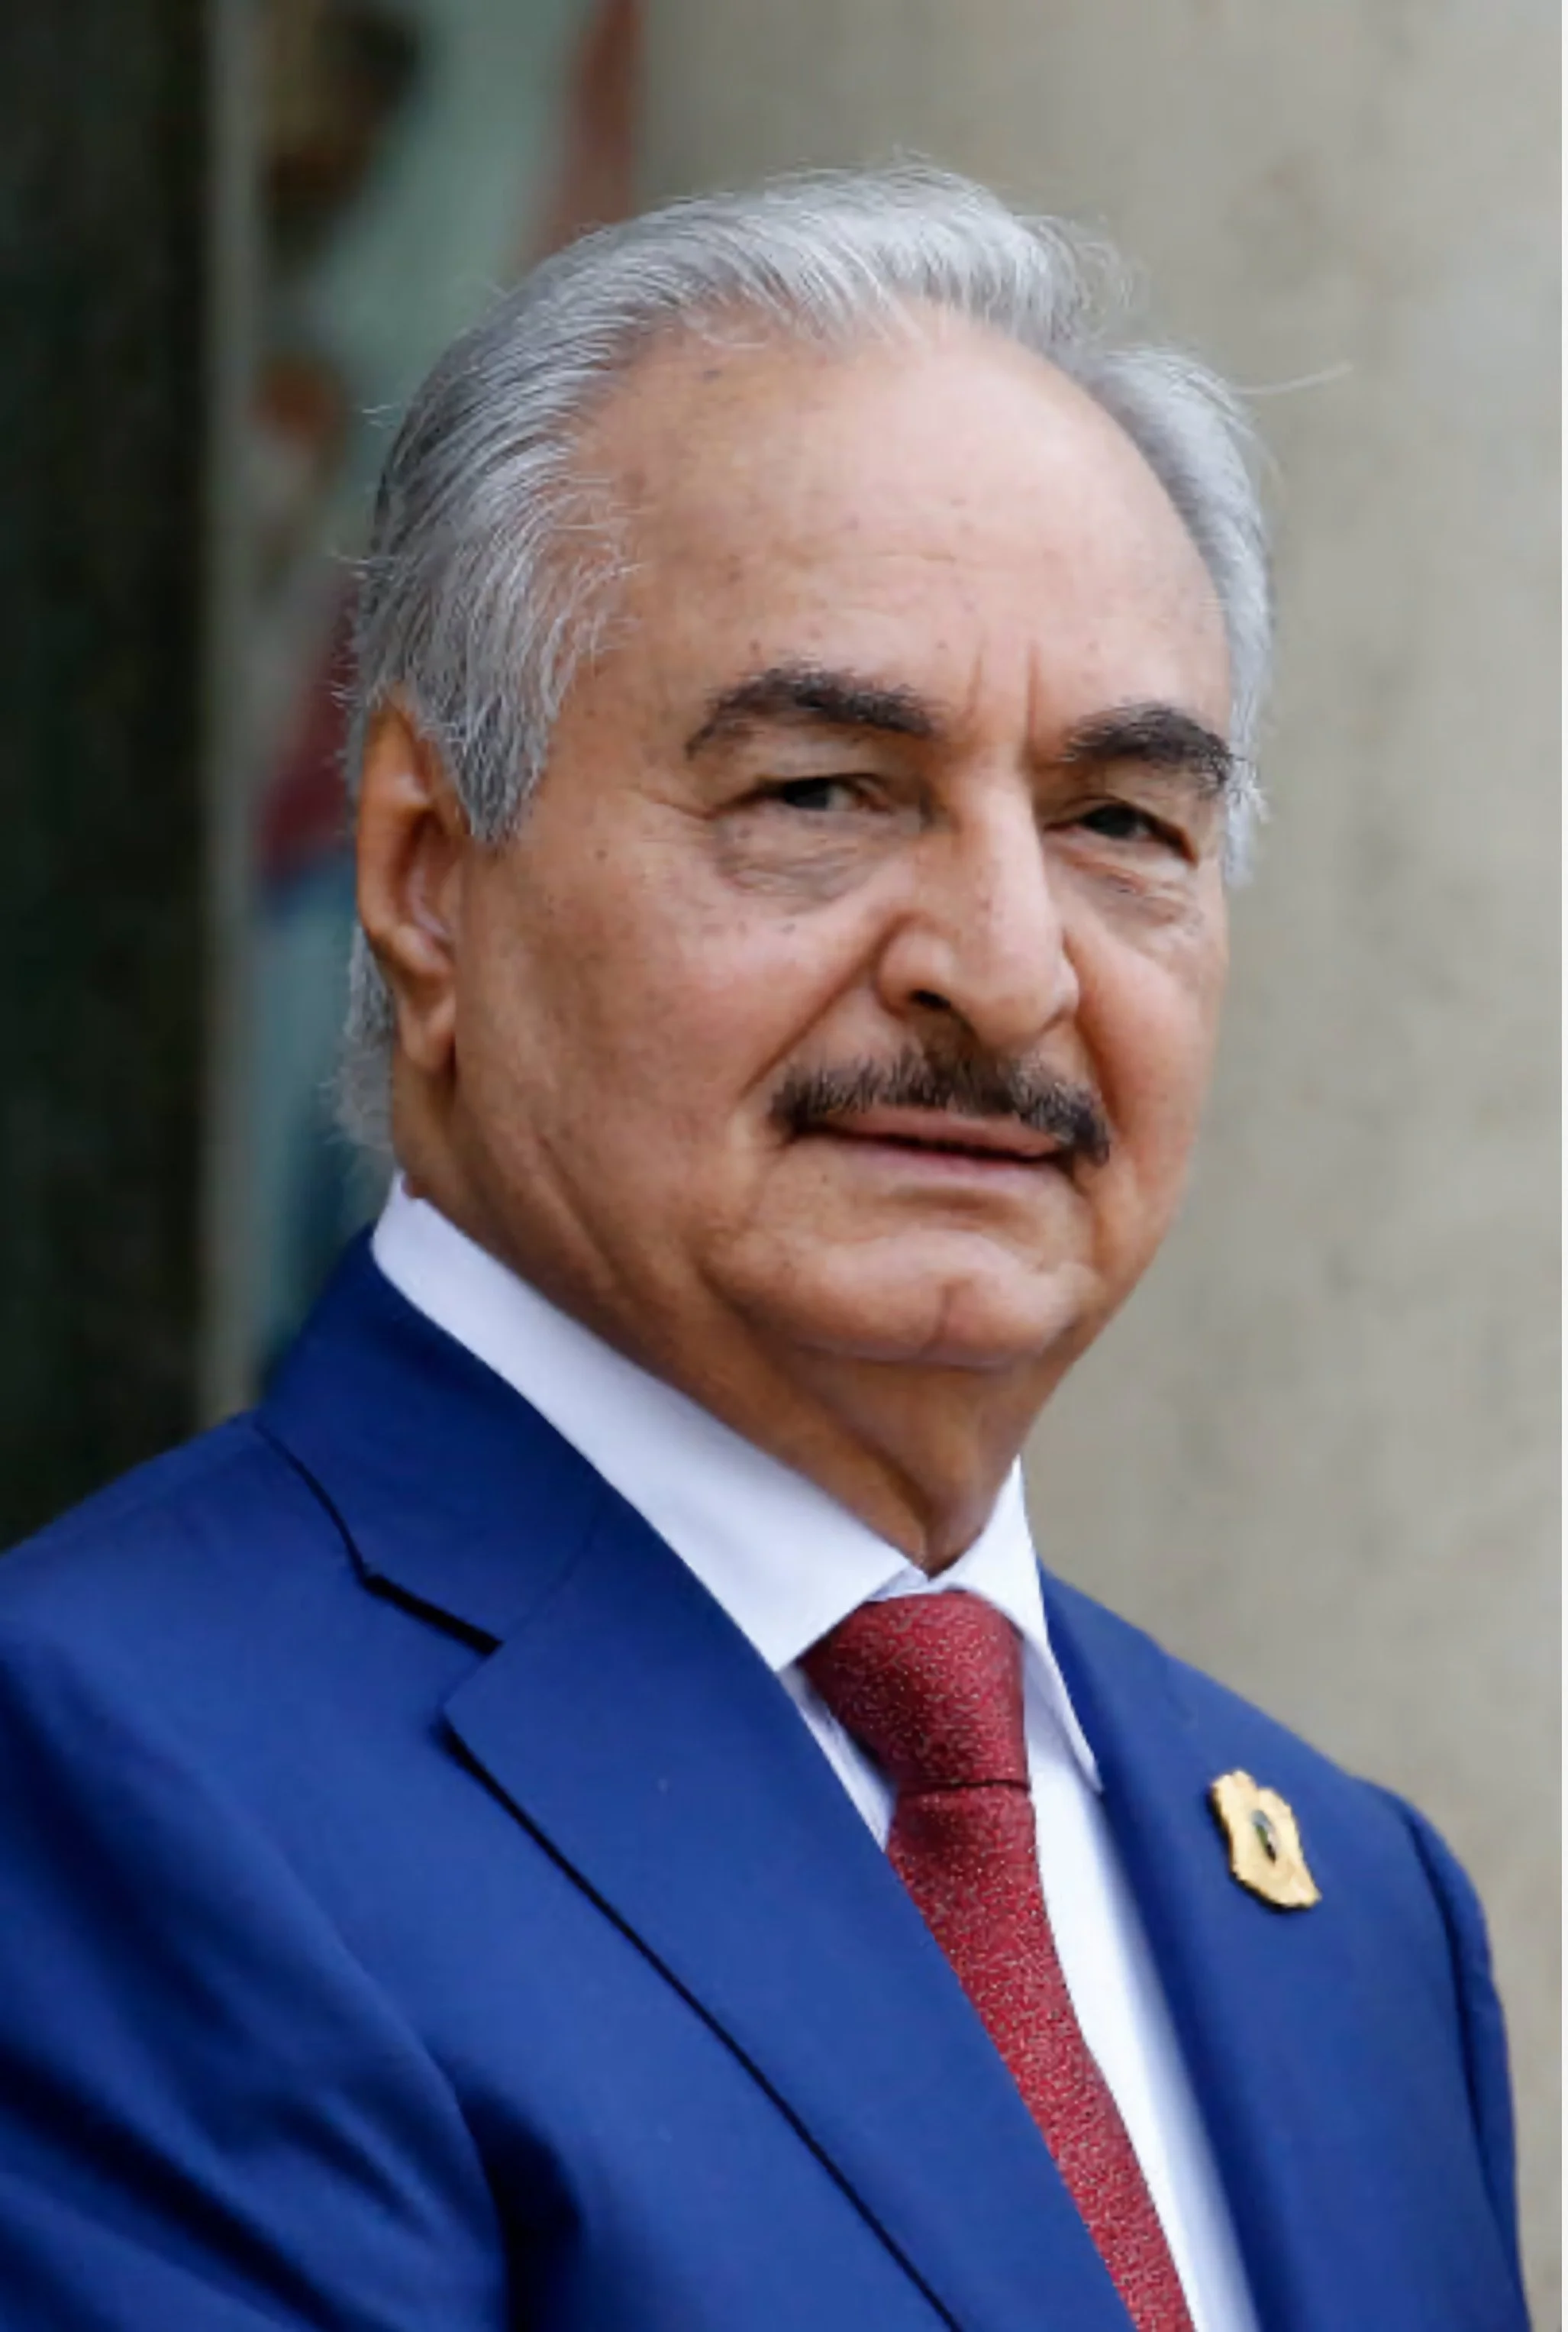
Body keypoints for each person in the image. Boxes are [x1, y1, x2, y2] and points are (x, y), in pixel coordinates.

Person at [0, 170, 1526, 2332]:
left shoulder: (1348, 1911)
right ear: (428, 878)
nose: (1008, 968)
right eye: (823, 790)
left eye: (1120, 823)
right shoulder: (105, 1775)